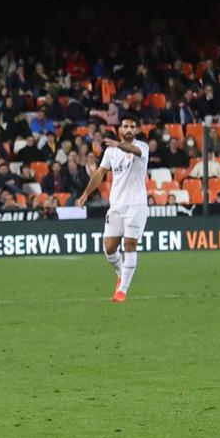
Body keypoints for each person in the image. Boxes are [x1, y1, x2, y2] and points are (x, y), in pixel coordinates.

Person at [76, 117, 150, 302]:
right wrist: (86, 193)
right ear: (120, 129)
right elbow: (100, 173)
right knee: (109, 248)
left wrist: (118, 144)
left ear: (138, 130)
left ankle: (122, 291)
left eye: (133, 126)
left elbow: (132, 149)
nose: (129, 129)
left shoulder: (142, 147)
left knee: (130, 245)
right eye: (125, 126)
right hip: (116, 205)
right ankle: (120, 274)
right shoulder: (110, 152)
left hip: (136, 205)